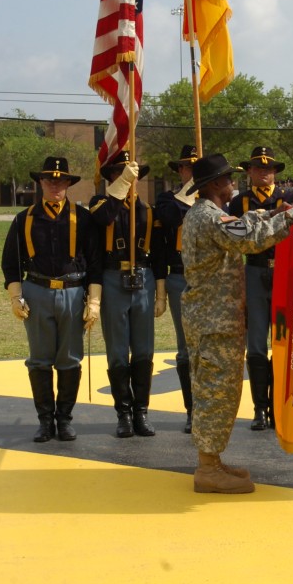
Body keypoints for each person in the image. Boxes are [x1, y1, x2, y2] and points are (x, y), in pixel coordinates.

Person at [179, 153, 293, 494]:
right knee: (215, 392)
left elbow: (244, 223)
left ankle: (214, 459)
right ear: (216, 185)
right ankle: (207, 468)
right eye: (228, 179)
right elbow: (249, 240)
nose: (233, 184)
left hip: (213, 318)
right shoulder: (209, 218)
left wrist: (271, 213)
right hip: (213, 320)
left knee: (218, 389)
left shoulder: (207, 214)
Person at [1, 156, 103, 442]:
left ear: (68, 184)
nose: (55, 185)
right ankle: (45, 420)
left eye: (61, 181)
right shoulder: (24, 219)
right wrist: (15, 297)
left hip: (72, 293)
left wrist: (93, 302)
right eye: (50, 180)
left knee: (70, 359)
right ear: (41, 183)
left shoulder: (83, 219)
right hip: (37, 292)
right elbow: (11, 262)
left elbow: (95, 263)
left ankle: (65, 419)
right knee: (39, 360)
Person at [89, 150, 167, 438]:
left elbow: (158, 254)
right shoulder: (99, 203)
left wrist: (160, 291)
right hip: (112, 277)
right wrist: (120, 187)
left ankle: (141, 412)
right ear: (111, 178)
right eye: (120, 175)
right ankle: (123, 412)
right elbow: (104, 218)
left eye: (130, 175)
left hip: (143, 278)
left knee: (144, 350)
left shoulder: (148, 209)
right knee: (118, 350)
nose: (128, 180)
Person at [229, 146, 293, 431]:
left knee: (282, 344)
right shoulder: (239, 203)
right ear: (249, 172)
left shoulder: (290, 198)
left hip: (283, 272)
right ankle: (260, 408)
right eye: (259, 168)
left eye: (269, 169)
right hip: (255, 270)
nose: (265, 173)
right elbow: (237, 236)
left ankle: (278, 407)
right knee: (256, 343)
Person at [155, 144, 198, 433]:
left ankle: (211, 409)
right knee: (185, 350)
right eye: (187, 167)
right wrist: (190, 195)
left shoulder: (215, 198)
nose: (191, 171)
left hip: (210, 278)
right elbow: (170, 217)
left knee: (209, 349)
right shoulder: (168, 198)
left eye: (197, 167)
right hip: (179, 278)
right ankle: (192, 410)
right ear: (179, 170)